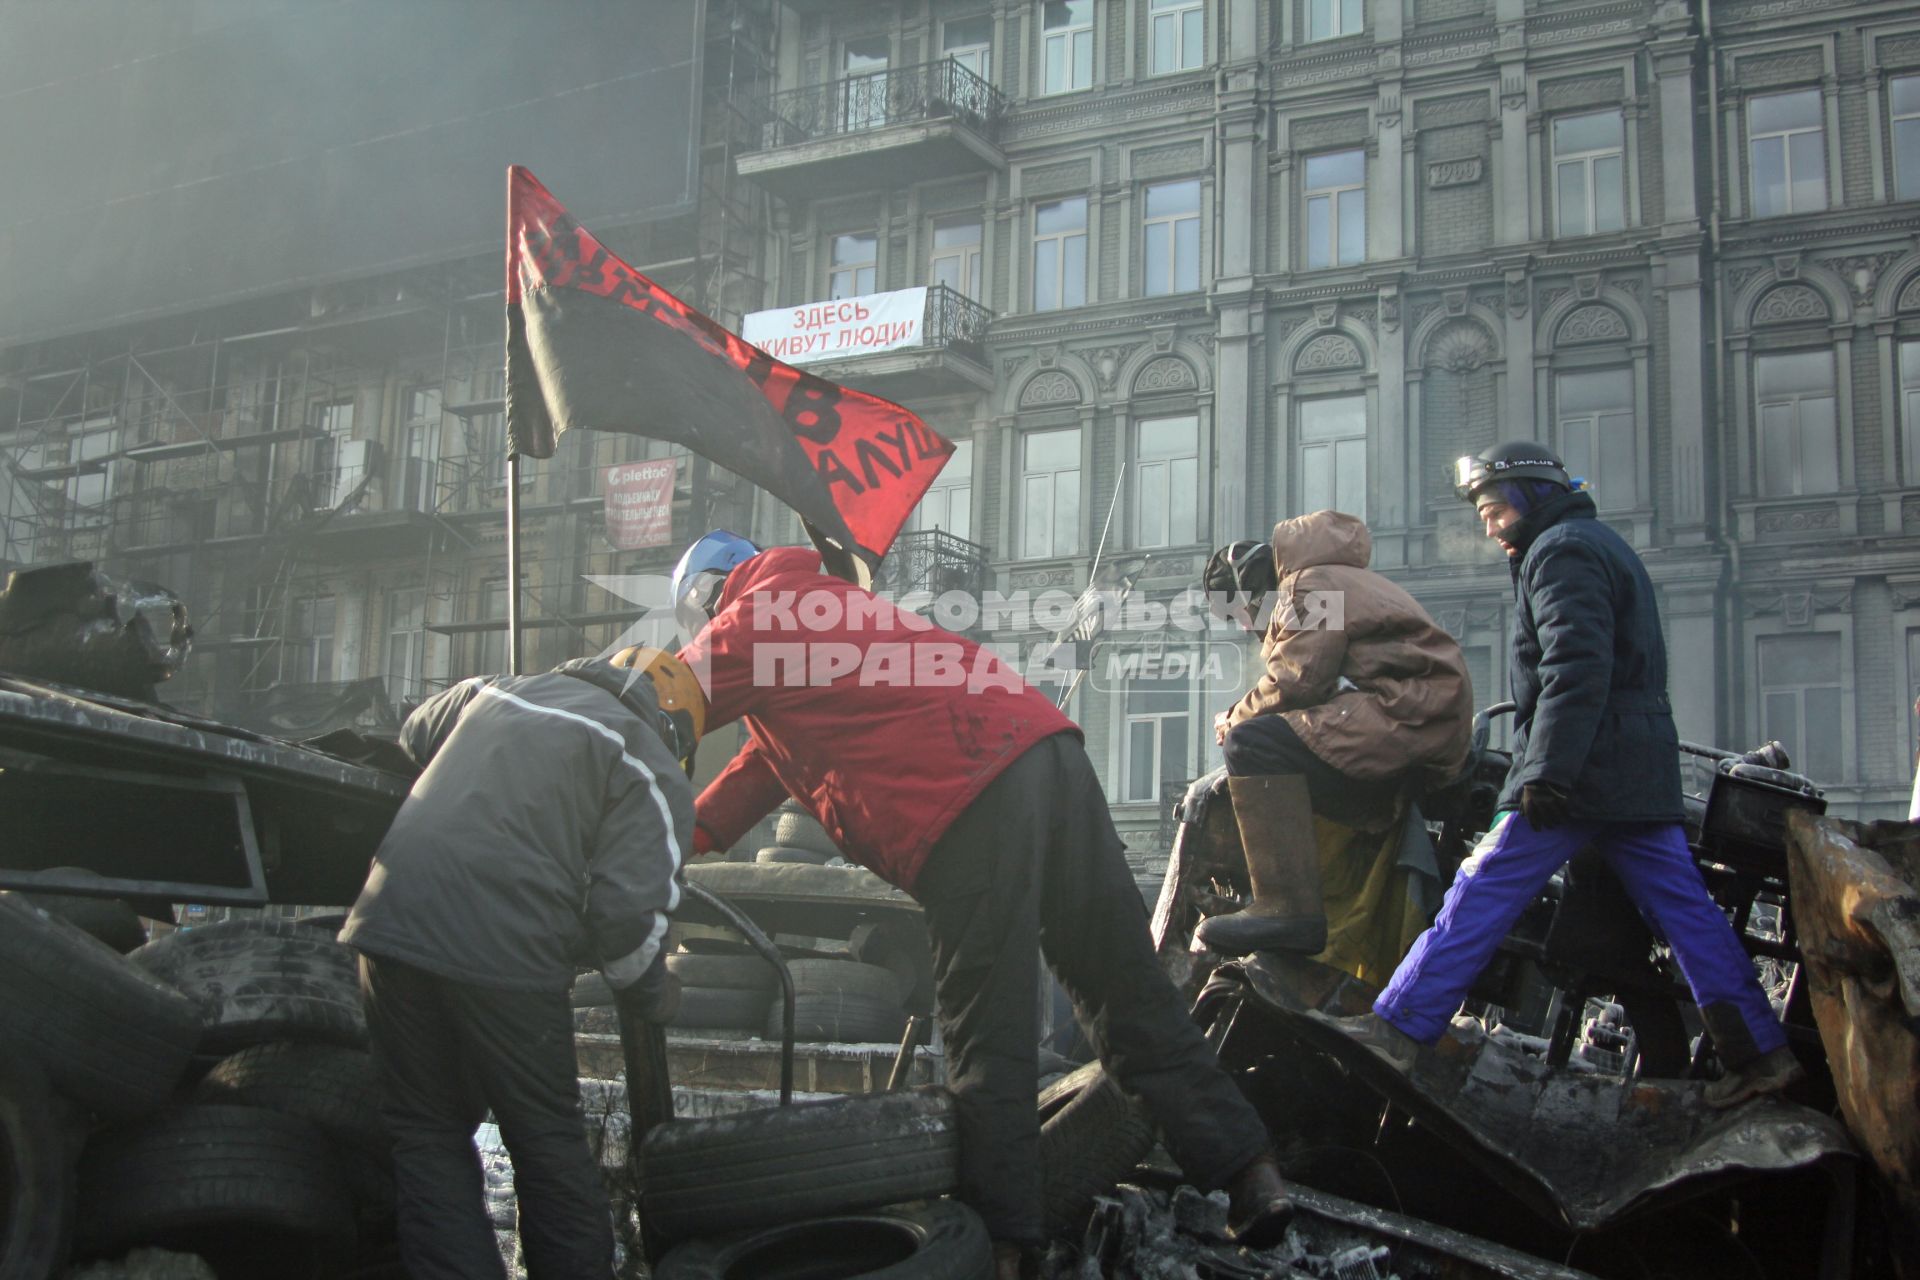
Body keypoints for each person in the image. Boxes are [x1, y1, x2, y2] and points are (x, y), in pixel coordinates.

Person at [671, 530, 1295, 1279]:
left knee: (985, 1033)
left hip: (972, 799)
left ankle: (999, 1248)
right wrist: (673, 836)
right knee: (1125, 992)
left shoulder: (758, 614)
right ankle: (1250, 1176)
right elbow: (736, 792)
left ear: (709, 596)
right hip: (1049, 755)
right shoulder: (827, 614)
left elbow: (657, 701)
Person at [1322, 443, 1803, 1109]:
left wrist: (1544, 772)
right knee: (1686, 913)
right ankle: (1760, 1053)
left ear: (1532, 498)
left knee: (1483, 883)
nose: (1488, 526)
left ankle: (1401, 1024)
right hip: (1627, 770)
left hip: (1581, 771)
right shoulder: (1588, 541)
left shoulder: (1562, 552)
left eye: (1494, 509)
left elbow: (1575, 669)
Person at [341, 651, 698, 1280]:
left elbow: (415, 731)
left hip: (390, 919)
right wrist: (656, 995)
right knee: (545, 1141)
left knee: (426, 1133)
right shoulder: (647, 759)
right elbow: (627, 923)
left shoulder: (494, 691)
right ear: (673, 725)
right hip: (503, 945)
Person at [1199, 512, 1474, 955]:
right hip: (1416, 714)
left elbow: (1298, 679)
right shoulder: (1331, 578)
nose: (1246, 626)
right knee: (1278, 743)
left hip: (1406, 714)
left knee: (1251, 744)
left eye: (1237, 611)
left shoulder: (1307, 585)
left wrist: (1233, 718)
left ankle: (1286, 908)